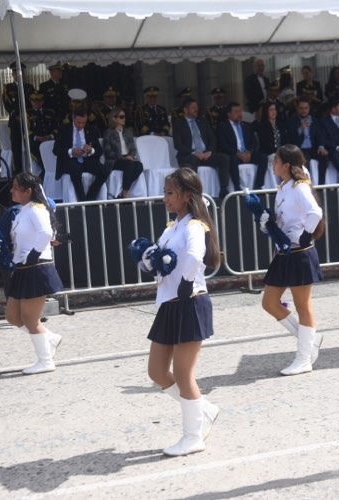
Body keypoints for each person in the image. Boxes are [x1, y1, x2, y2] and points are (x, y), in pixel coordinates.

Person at [144, 167, 220, 456]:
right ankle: (204, 410)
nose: (165, 198)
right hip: (169, 304)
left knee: (183, 374)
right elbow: (162, 262)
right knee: (157, 372)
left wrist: (187, 283)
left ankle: (193, 437)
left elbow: (193, 257)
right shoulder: (170, 228)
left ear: (187, 196)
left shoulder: (194, 227)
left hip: (189, 302)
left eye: (170, 193)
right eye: (165, 192)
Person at [261, 144, 324, 375]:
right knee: (269, 302)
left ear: (286, 165)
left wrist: (305, 236)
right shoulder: (284, 187)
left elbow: (315, 212)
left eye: (276, 161)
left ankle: (304, 358)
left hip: (299, 253)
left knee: (302, 306)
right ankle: (310, 340)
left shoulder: (299, 187)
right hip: (284, 251)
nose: (273, 165)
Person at [6, 172, 64, 374]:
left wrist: (33, 254)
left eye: (15, 187)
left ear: (27, 191)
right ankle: (49, 338)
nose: (11, 190)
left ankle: (46, 360)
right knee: (13, 316)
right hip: (23, 267)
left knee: (30, 319)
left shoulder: (36, 209)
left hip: (36, 267)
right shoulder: (23, 211)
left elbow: (46, 233)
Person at [172, 97, 231, 198]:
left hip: (205, 155)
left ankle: (223, 189)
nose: (196, 109)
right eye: (193, 107)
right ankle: (194, 192)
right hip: (189, 156)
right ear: (186, 110)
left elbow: (213, 139)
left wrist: (210, 151)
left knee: (224, 158)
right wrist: (194, 152)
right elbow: (178, 145)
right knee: (193, 160)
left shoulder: (202, 121)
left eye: (197, 107)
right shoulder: (178, 124)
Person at [53, 107, 108, 201]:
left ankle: (91, 196)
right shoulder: (64, 129)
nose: (81, 125)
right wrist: (71, 151)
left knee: (104, 171)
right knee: (75, 170)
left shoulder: (92, 129)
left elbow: (99, 151)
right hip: (71, 160)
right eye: (78, 122)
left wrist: (91, 150)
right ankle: (82, 199)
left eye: (84, 123)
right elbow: (56, 150)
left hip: (87, 159)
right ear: (73, 118)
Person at [216, 102, 269, 190]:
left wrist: (249, 151)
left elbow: (254, 142)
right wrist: (237, 153)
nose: (239, 114)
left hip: (247, 154)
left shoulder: (246, 125)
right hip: (234, 154)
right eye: (236, 112)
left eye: (240, 111)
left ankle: (258, 185)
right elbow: (223, 144)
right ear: (229, 114)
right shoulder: (223, 126)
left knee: (263, 158)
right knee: (232, 159)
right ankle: (237, 187)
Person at [102, 107, 144, 198]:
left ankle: (123, 191)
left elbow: (133, 149)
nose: (124, 119)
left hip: (127, 158)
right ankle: (125, 192)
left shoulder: (128, 132)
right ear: (114, 118)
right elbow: (108, 152)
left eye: (124, 117)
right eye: (121, 117)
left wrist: (131, 156)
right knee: (129, 164)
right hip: (114, 160)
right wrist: (124, 158)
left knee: (139, 166)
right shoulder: (108, 133)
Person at [2, 62, 36, 175]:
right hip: (16, 121)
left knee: (30, 146)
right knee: (16, 148)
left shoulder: (29, 87)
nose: (19, 74)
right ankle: (18, 172)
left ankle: (32, 171)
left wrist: (27, 115)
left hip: (29, 121)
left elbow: (33, 103)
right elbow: (7, 105)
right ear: (13, 73)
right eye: (16, 72)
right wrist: (17, 115)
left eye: (21, 72)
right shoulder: (8, 88)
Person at [26, 91, 58, 170]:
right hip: (36, 142)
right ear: (31, 102)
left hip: (50, 140)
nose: (37, 103)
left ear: (43, 101)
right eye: (34, 101)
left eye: (39, 101)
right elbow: (25, 130)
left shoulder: (50, 112)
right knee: (40, 162)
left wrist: (51, 136)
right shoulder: (27, 114)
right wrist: (36, 137)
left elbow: (57, 127)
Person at [285, 98, 318, 165]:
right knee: (304, 159)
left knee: (325, 156)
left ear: (309, 108)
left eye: (306, 108)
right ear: (297, 108)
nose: (304, 110)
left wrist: (321, 146)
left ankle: (321, 176)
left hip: (313, 148)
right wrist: (300, 129)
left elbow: (320, 135)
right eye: (301, 108)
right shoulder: (292, 121)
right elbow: (291, 138)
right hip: (300, 148)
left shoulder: (314, 120)